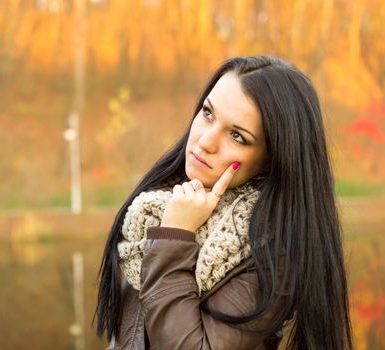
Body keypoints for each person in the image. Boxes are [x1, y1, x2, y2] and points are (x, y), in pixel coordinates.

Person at [94, 56, 353, 349]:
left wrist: (174, 237)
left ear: (272, 160)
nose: (206, 141)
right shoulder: (156, 209)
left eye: (237, 136)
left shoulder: (269, 256)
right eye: (207, 113)